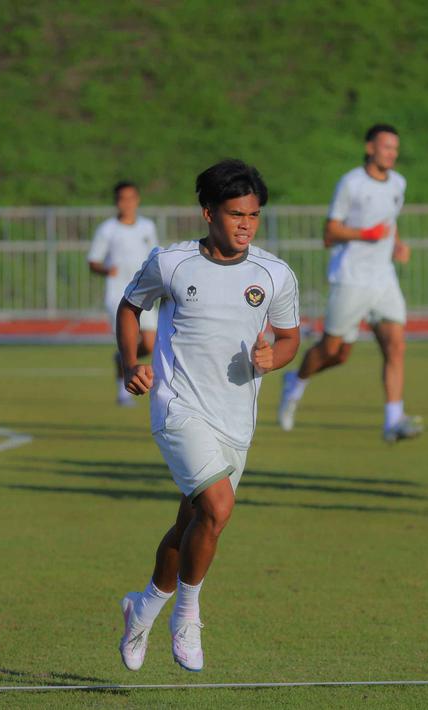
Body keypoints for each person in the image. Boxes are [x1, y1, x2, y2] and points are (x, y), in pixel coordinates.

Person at [116, 160, 300, 672]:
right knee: (216, 508)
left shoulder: (274, 275)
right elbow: (130, 307)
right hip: (178, 407)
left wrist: (274, 359)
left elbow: (289, 340)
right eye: (236, 214)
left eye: (254, 216)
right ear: (208, 213)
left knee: (194, 524)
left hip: (236, 419)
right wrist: (132, 363)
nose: (245, 224)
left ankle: (143, 608)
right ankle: (187, 616)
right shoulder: (171, 263)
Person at [278, 123, 421, 441]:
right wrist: (364, 234)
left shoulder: (398, 182)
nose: (392, 154)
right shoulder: (351, 183)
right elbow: (330, 233)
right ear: (370, 148)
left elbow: (390, 220)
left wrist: (397, 243)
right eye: (386, 147)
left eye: (395, 148)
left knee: (396, 346)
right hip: (351, 278)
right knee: (335, 352)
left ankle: (393, 421)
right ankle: (296, 382)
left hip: (384, 278)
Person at [87, 181, 159, 406]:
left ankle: (121, 360)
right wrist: (107, 269)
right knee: (128, 342)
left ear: (137, 200)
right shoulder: (107, 230)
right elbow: (93, 261)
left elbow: (155, 257)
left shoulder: (147, 227)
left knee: (148, 343)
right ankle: (123, 391)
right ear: (116, 202)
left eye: (130, 198)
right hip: (118, 294)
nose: (126, 203)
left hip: (144, 292)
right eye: (121, 199)